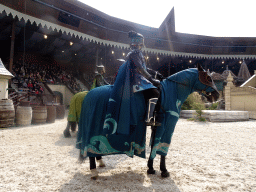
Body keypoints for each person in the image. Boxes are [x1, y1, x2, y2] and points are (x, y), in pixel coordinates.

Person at [103, 30, 161, 137]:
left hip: (139, 76)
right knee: (154, 93)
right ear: (140, 44)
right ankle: (149, 118)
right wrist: (151, 79)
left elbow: (144, 67)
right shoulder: (134, 53)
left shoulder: (137, 53)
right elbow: (140, 68)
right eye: (141, 44)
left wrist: (155, 73)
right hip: (135, 79)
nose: (141, 46)